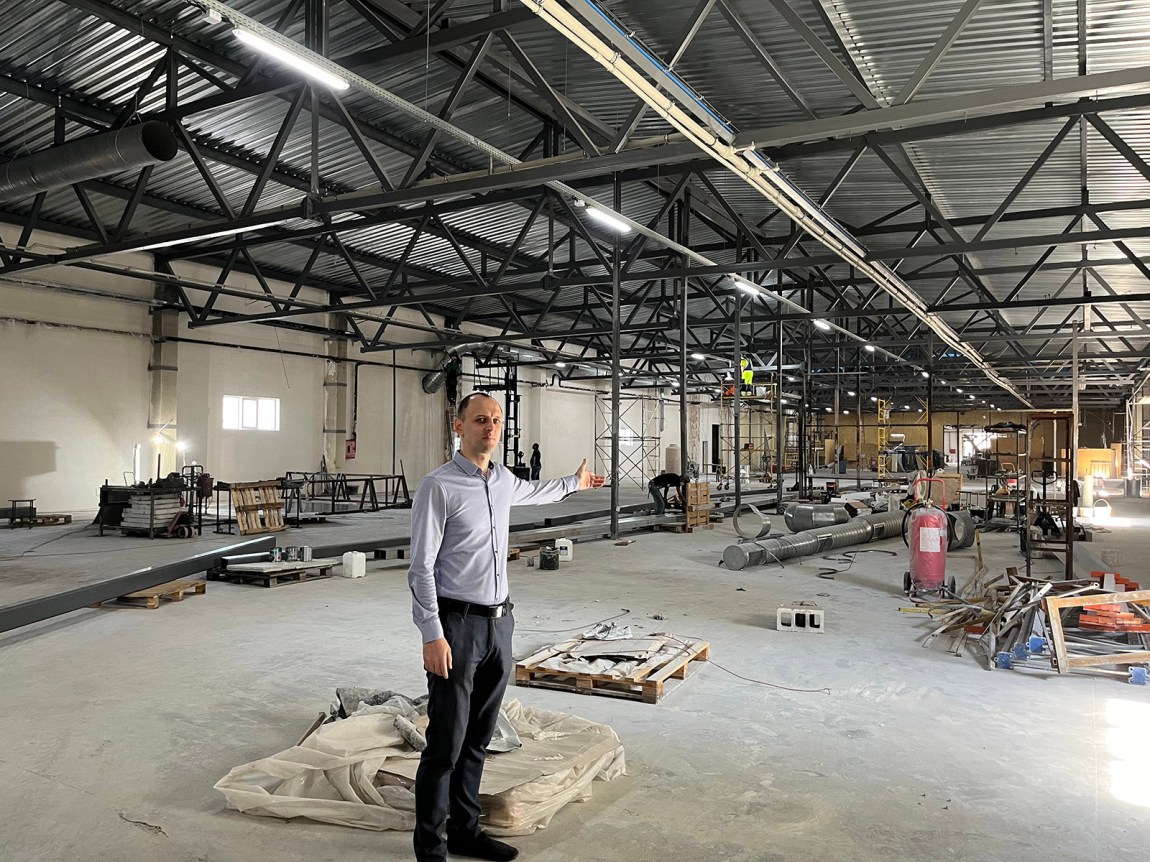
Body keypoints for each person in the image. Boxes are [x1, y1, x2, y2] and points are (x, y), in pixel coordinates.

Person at [409, 393, 604, 862]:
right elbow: (420, 568)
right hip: (456, 627)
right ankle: (431, 849)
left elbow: (539, 491)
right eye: (480, 420)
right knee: (446, 744)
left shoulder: (502, 480)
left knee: (479, 737)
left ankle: (466, 831)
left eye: (496, 420)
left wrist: (574, 483)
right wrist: (432, 632)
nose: (490, 427)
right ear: (459, 426)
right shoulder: (439, 486)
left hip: (500, 625)